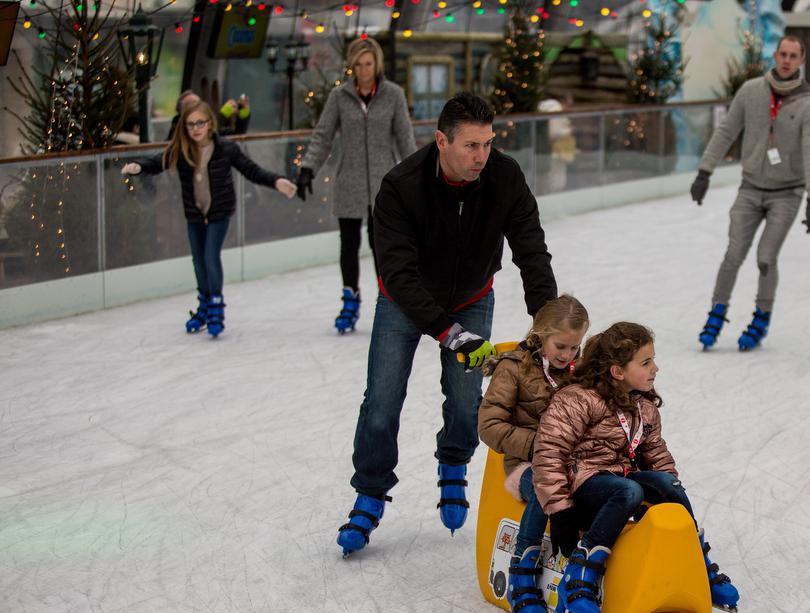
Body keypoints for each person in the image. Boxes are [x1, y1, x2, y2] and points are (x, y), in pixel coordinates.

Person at [334, 92, 557, 556]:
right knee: (382, 400)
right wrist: (448, 332)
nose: (482, 156)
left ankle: (453, 464)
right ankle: (370, 492)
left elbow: (530, 247)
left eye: (488, 144)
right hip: (403, 302)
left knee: (463, 402)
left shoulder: (504, 176)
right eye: (471, 146)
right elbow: (398, 272)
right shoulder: (401, 186)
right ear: (441, 141)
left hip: (472, 296)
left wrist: (547, 318)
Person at [532, 322, 740, 613]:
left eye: (653, 359)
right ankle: (580, 574)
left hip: (619, 479)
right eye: (646, 362)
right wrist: (560, 510)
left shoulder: (643, 406)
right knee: (628, 491)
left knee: (666, 483)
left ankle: (697, 562)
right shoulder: (577, 399)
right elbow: (548, 454)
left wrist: (669, 493)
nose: (656, 368)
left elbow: (657, 456)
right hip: (582, 483)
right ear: (618, 371)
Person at [689, 35, 810, 352]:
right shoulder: (752, 91)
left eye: (794, 56)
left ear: (801, 61)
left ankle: (761, 316)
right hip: (750, 189)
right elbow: (726, 131)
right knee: (733, 254)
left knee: (765, 258)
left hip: (787, 194)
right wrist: (704, 171)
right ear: (775, 56)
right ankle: (716, 313)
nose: (787, 60)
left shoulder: (809, 103)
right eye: (783, 54)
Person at [121, 101, 297, 336]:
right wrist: (138, 167)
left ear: (210, 124)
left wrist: (277, 181)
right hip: (195, 215)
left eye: (200, 123)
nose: (195, 129)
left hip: (218, 214)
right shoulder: (181, 150)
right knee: (198, 260)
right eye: (190, 124)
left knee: (210, 256)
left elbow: (251, 170)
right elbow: (156, 163)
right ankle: (204, 305)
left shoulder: (225, 148)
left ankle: (215, 303)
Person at [477, 295, 590, 613]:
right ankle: (522, 578)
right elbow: (489, 425)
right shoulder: (513, 369)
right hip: (526, 465)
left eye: (575, 347)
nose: (568, 355)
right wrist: (539, 446)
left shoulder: (580, 372)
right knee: (547, 486)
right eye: (561, 346)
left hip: (573, 464)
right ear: (541, 334)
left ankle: (587, 572)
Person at [297, 38, 418, 333]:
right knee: (348, 245)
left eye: (368, 64)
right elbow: (323, 135)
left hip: (384, 184)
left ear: (377, 65)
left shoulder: (393, 95)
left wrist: (417, 177)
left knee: (382, 248)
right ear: (351, 66)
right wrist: (308, 168)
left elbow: (405, 139)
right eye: (359, 64)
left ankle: (387, 301)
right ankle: (350, 298)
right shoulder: (340, 96)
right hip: (349, 181)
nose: (363, 70)